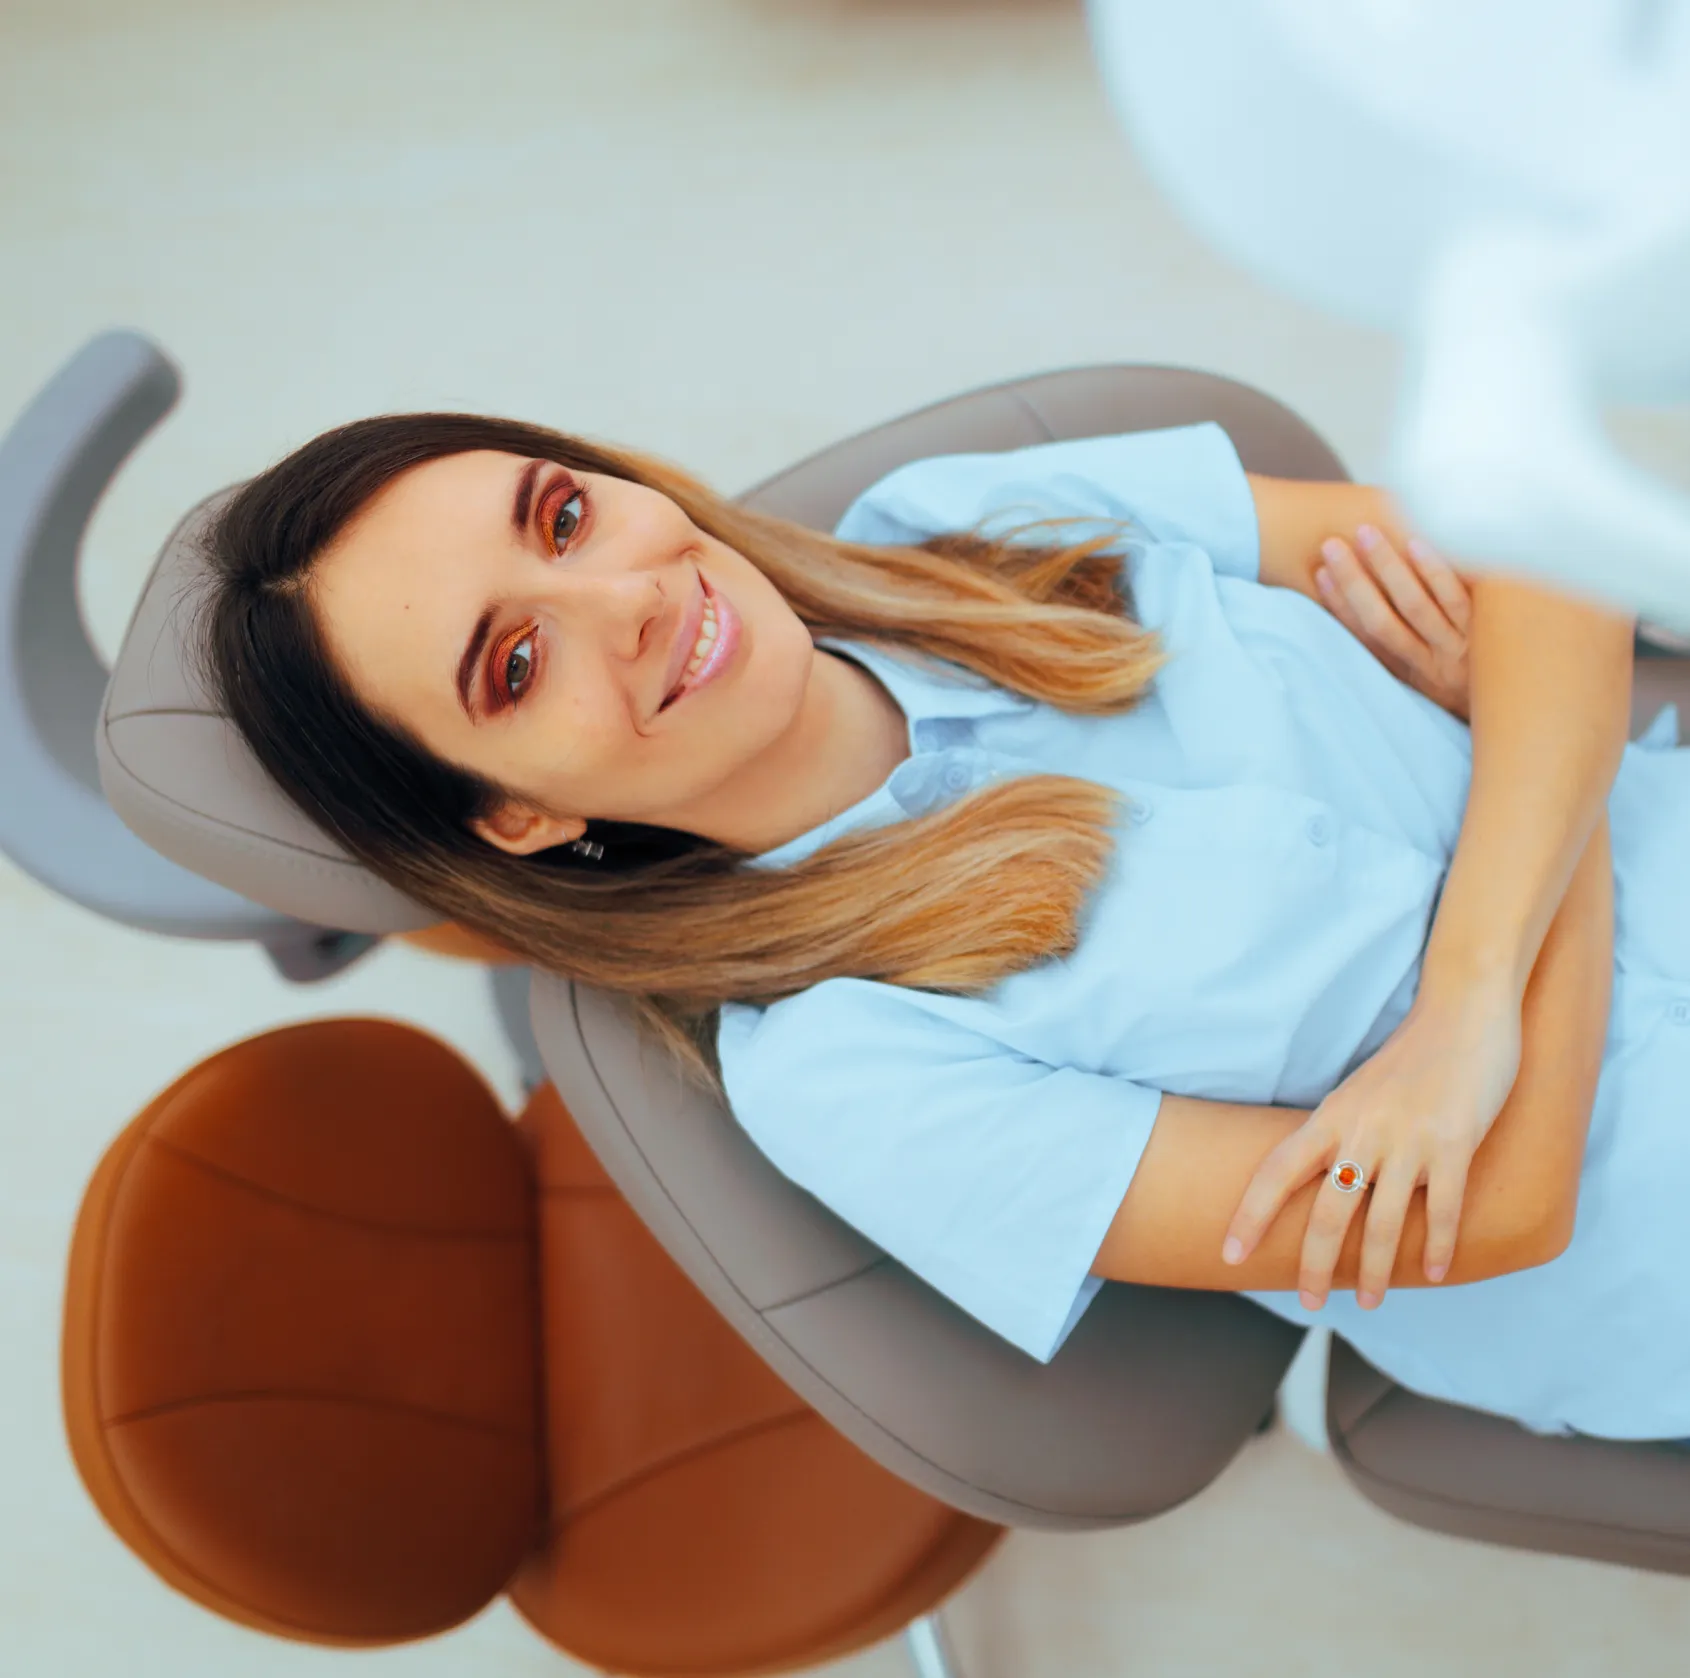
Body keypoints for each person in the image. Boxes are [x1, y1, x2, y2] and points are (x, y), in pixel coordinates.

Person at [197, 411, 1690, 1443]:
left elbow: (1539, 551)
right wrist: (1524, 749)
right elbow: (1503, 1208)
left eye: (564, 515)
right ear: (509, 816)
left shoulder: (962, 525)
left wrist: (1472, 979)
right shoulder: (845, 1068)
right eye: (517, 662)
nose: (627, 599)